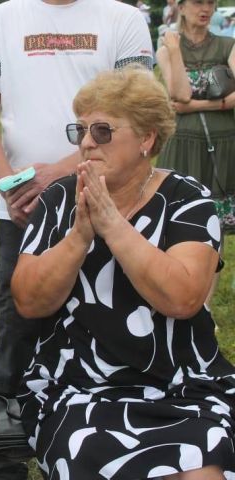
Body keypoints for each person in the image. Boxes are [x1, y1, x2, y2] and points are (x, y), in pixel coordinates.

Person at [13, 66, 235, 478]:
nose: (85, 143)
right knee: (92, 453)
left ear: (146, 139)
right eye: (79, 131)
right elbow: (28, 301)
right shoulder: (60, 199)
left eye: (102, 131)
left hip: (182, 382)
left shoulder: (188, 199)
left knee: (202, 471)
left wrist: (113, 224)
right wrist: (79, 236)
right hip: (79, 386)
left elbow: (183, 298)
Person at [0, 0, 153, 477]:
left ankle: (91, 448)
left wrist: (64, 176)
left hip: (114, 205)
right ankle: (5, 461)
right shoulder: (7, 16)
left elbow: (143, 111)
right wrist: (11, 185)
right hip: (22, 214)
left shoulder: (122, 18)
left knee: (108, 331)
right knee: (17, 336)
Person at [157, 0, 235, 306]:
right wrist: (175, 51)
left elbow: (195, 101)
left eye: (211, 3)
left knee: (216, 225)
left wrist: (195, 106)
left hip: (224, 145)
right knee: (178, 220)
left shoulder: (229, 45)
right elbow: (178, 94)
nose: (206, 9)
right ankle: (175, 295)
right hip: (182, 145)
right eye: (198, 2)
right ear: (180, 5)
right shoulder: (167, 48)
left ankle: (204, 305)